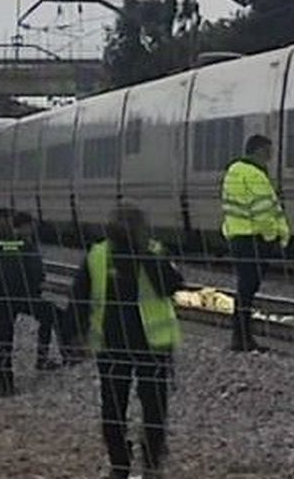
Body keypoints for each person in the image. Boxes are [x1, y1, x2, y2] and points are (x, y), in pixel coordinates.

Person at [70, 204, 183, 479]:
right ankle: (147, 464)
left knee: (115, 408)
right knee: (150, 408)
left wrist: (75, 336)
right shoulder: (150, 252)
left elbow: (77, 300)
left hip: (119, 345)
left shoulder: (98, 255)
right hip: (147, 345)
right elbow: (174, 284)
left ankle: (122, 465)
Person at [0, 209, 65, 395]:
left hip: (10, 296)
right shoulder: (11, 242)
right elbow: (34, 265)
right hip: (6, 297)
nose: (7, 224)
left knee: (2, 339)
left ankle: (8, 381)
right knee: (1, 340)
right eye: (3, 220)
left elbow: (33, 266)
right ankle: (6, 382)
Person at [219, 134, 289, 352]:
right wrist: (273, 238)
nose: (271, 156)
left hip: (239, 237)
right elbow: (263, 212)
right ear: (259, 151)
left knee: (245, 289)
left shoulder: (233, 172)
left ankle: (241, 337)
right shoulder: (254, 174)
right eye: (269, 151)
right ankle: (242, 338)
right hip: (255, 240)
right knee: (247, 289)